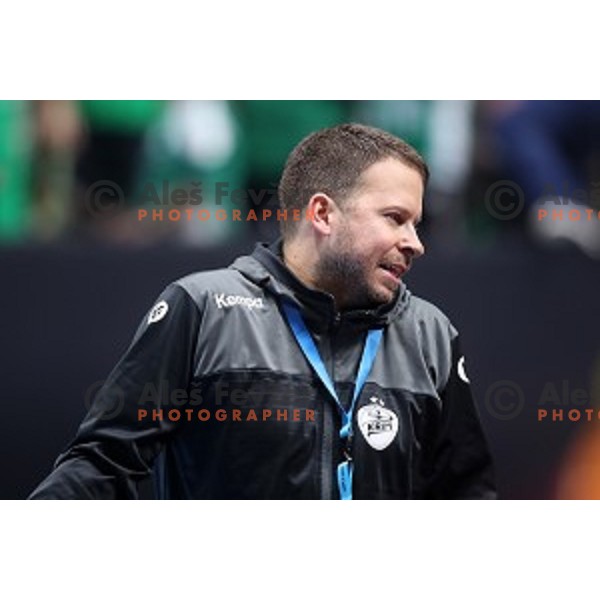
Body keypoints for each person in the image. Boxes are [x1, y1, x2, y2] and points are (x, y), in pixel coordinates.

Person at [30, 123, 496, 500]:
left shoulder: (431, 333)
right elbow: (103, 465)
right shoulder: (204, 308)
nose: (416, 243)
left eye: (417, 222)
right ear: (322, 214)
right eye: (395, 218)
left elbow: (467, 496)